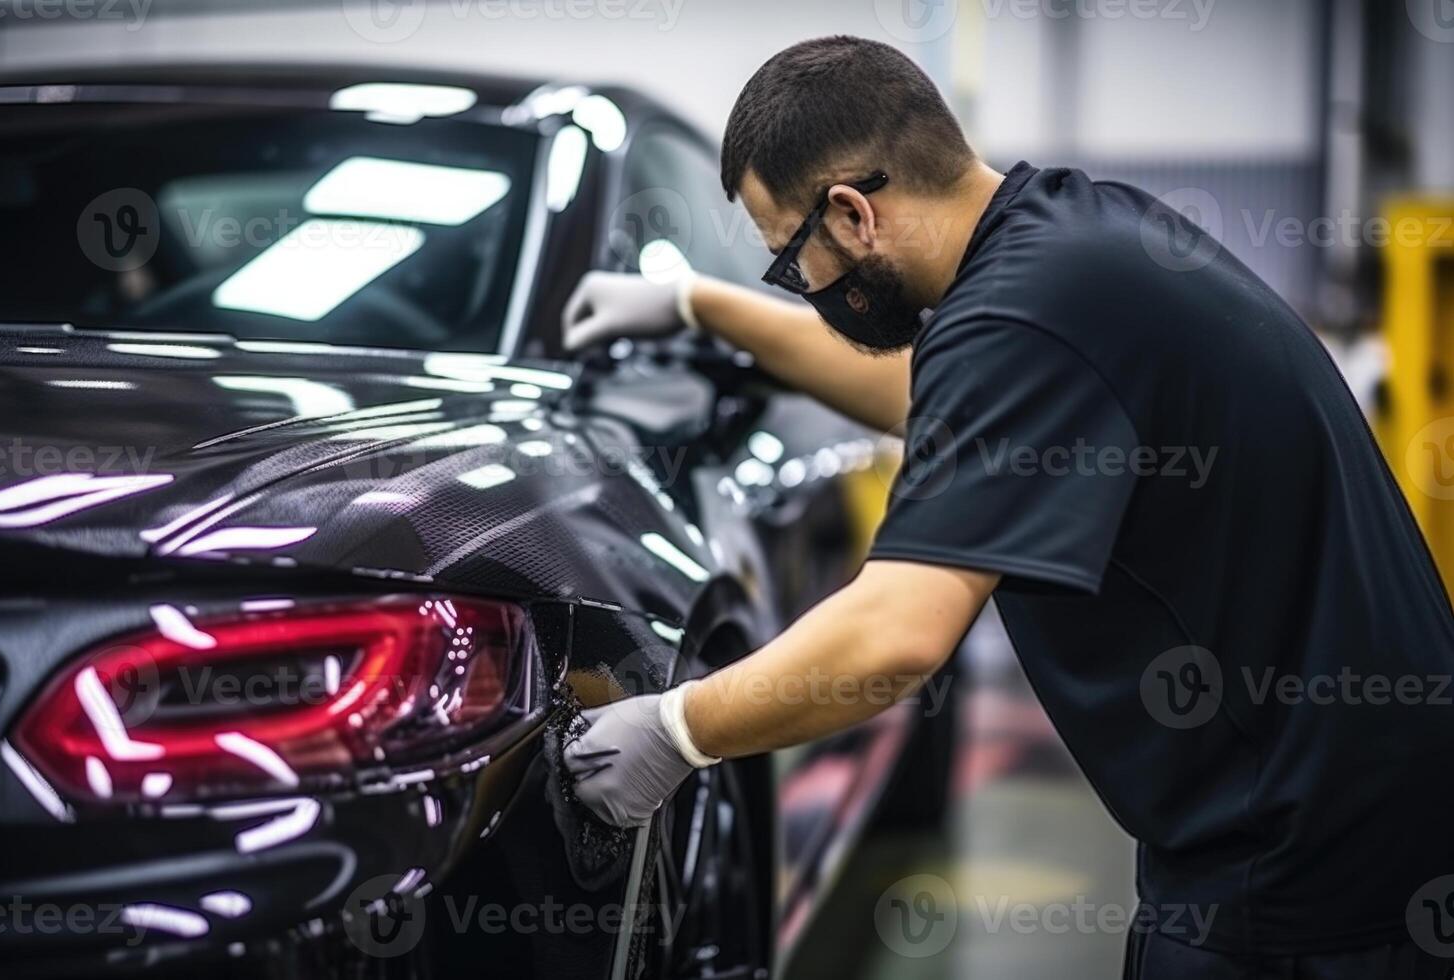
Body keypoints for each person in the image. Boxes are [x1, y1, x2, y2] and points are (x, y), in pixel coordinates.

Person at [561, 35, 1454, 978]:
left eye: (791, 262)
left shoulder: (1019, 318)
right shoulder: (1072, 238)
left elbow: (895, 637)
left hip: (1300, 870)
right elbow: (934, 400)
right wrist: (703, 307)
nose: (807, 291)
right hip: (1364, 810)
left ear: (852, 213)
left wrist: (679, 730)